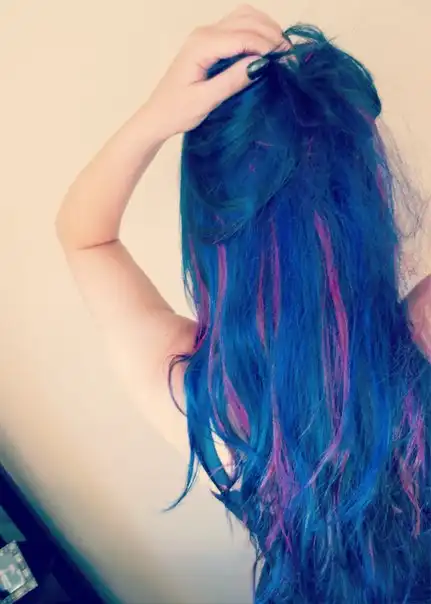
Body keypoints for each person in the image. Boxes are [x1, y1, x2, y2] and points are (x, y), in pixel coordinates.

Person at [56, 5, 431, 603]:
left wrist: (156, 116)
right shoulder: (422, 337)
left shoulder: (205, 400)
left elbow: (85, 236)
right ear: (371, 203)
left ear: (211, 239)